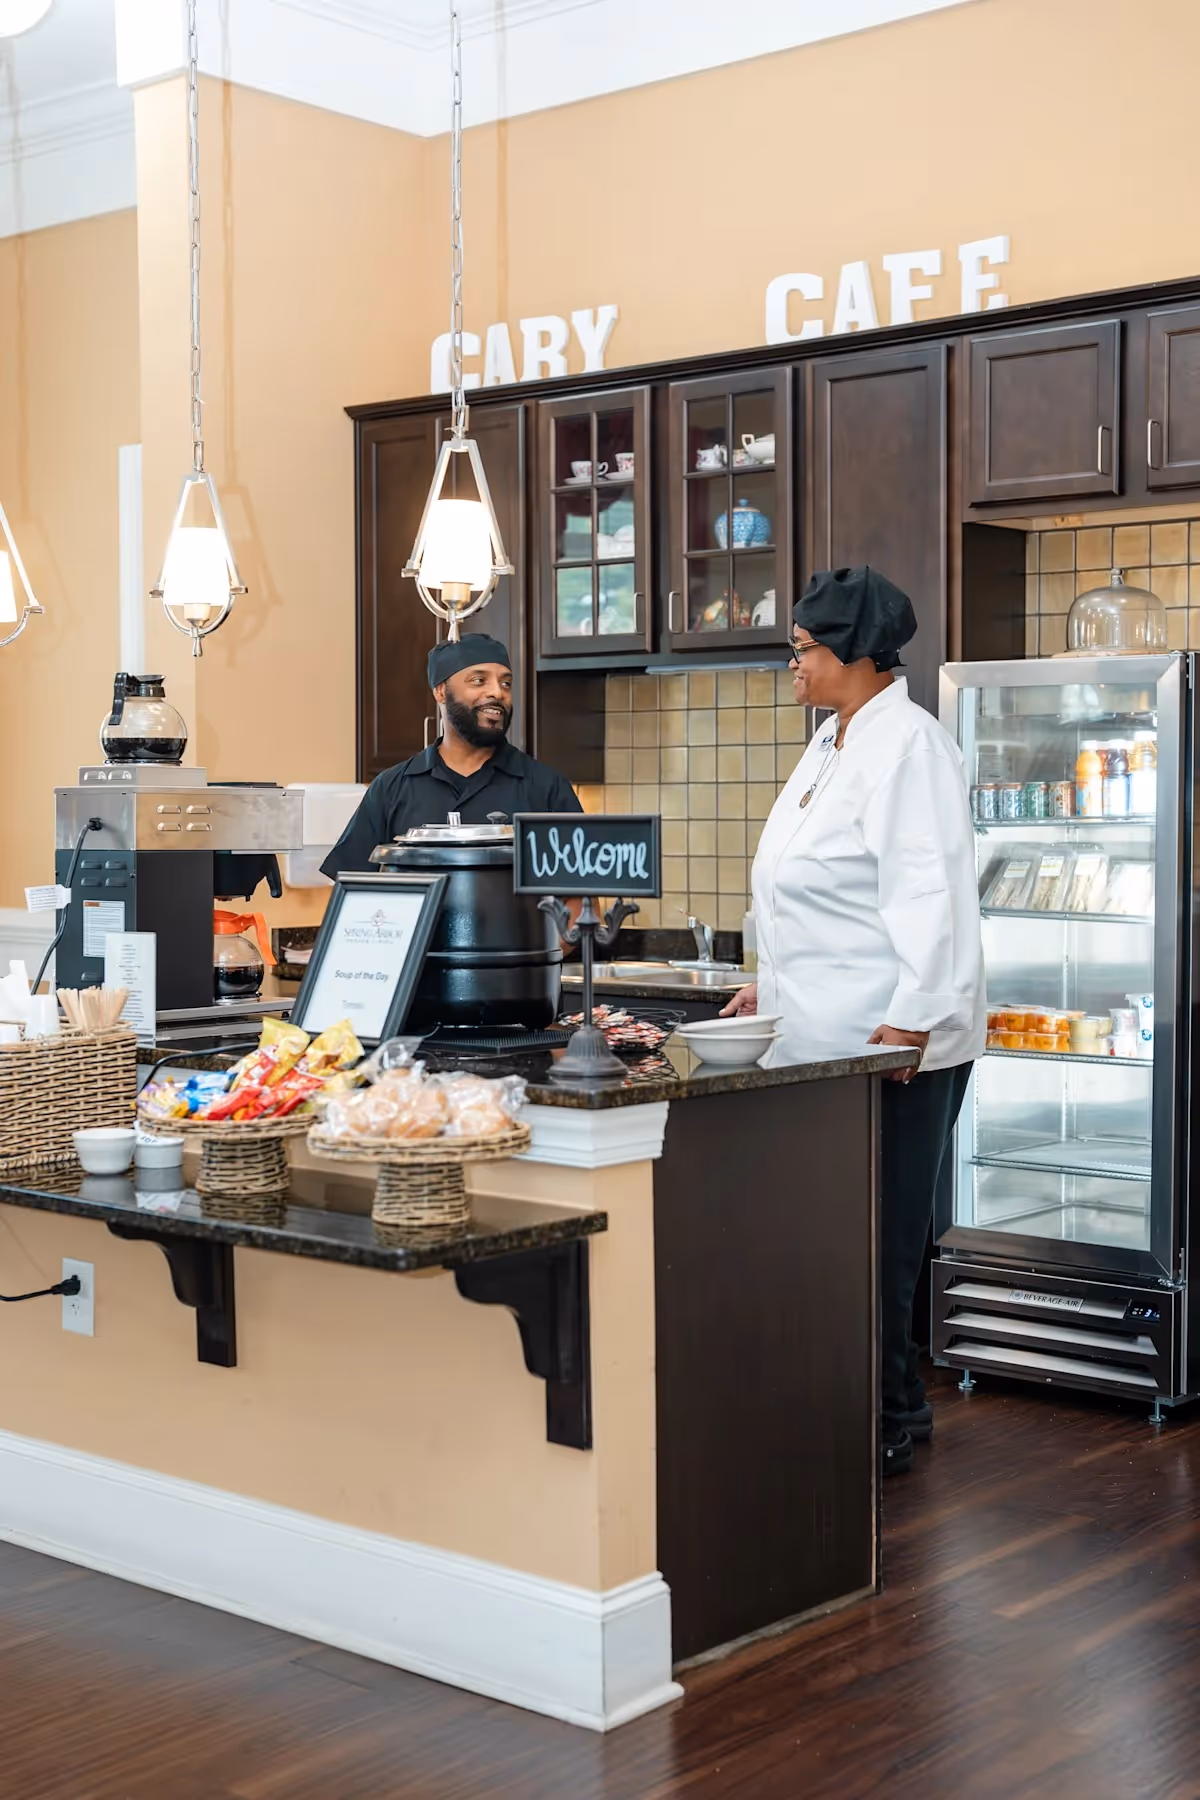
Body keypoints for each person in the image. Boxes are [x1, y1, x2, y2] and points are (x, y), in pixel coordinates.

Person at [722, 566, 985, 1477]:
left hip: (889, 1047)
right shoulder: (833, 740)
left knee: (877, 1241)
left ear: (860, 655)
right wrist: (767, 984)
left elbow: (932, 895)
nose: (792, 664)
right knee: (836, 1234)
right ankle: (883, 1409)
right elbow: (804, 890)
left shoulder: (908, 746)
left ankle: (883, 1419)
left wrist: (914, 1023)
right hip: (818, 1038)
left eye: (804, 649)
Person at [321, 633, 582, 876]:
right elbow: (353, 888)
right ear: (441, 691)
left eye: (506, 683)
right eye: (479, 680)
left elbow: (577, 893)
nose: (497, 692)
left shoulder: (547, 787)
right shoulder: (391, 788)